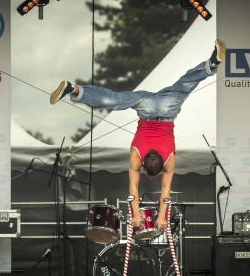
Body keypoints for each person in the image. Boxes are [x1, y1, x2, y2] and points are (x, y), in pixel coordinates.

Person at [50, 39, 226, 231]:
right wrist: (138, 215)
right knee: (117, 100)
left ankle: (76, 90)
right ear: (146, 166)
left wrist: (159, 216)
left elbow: (165, 191)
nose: (151, 178)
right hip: (147, 106)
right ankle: (74, 89)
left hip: (167, 108)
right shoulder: (136, 158)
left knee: (185, 83)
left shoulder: (169, 160)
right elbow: (133, 190)